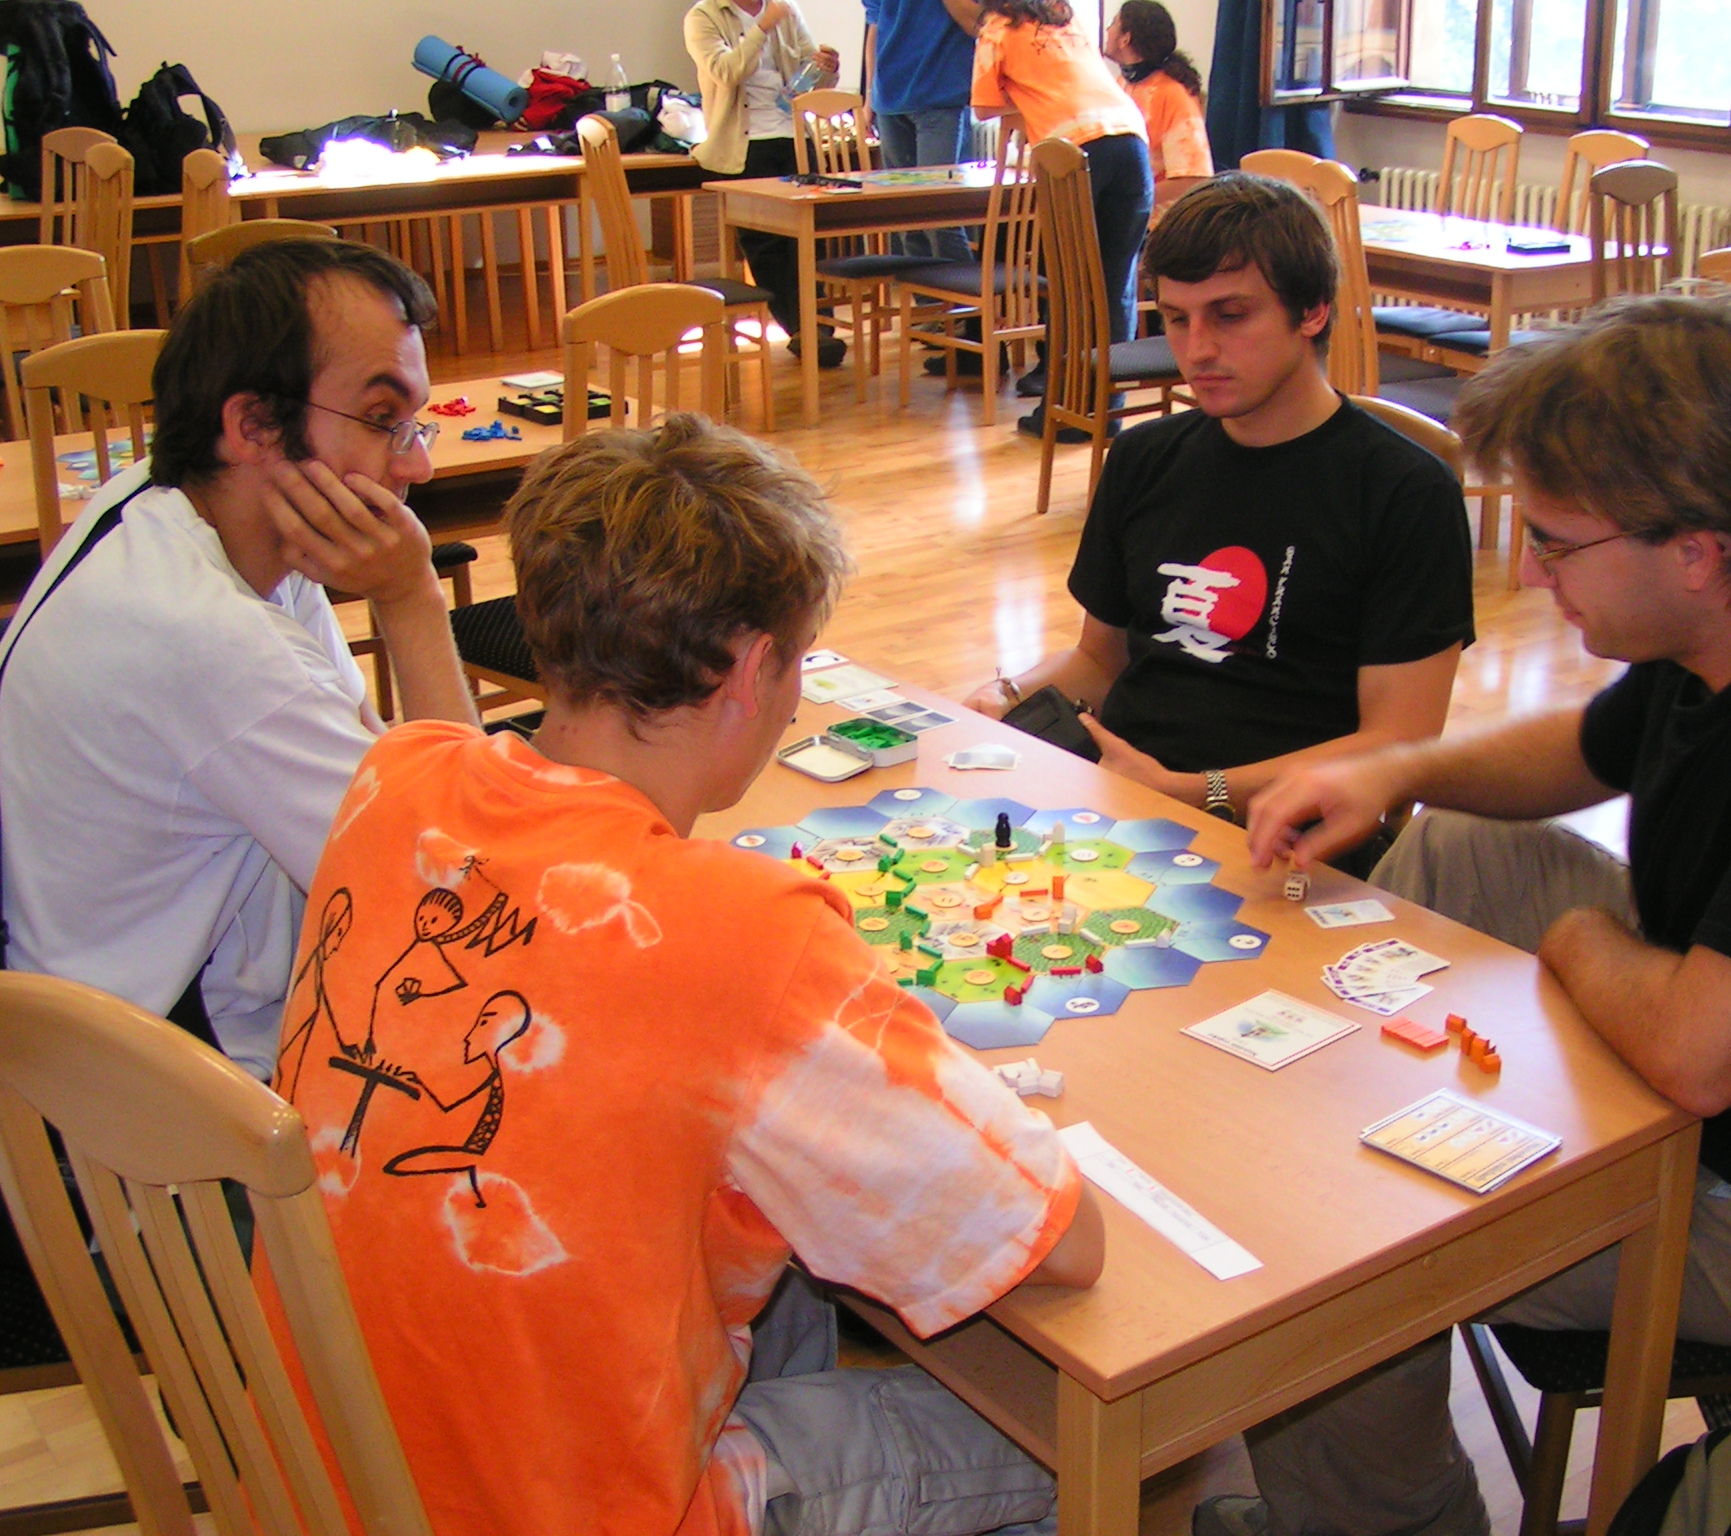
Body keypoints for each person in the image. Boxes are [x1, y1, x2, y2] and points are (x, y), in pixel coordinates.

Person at [1228, 289, 1731, 1536]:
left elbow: (1703, 1060)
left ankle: (1401, 1516)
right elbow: (1580, 753)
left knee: (1332, 1245)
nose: (1531, 573)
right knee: (1473, 839)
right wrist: (1395, 769)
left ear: (1695, 549)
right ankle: (1325, 1104)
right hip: (1729, 1033)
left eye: (1555, 543)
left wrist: (1577, 943)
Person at [269, 413, 1104, 1536]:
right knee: (1063, 1429)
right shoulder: (749, 931)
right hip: (571, 1512)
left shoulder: (394, 776)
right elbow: (1061, 1244)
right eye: (797, 663)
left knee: (777, 1251)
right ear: (753, 670)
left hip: (324, 1470)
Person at [0, 239, 476, 1082]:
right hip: (161, 1107)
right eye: (381, 419)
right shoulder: (205, 638)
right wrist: (411, 600)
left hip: (93, 1040)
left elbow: (384, 768)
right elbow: (461, 893)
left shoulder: (166, 506)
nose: (418, 462)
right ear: (252, 425)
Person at [966, 174, 1471, 861]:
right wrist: (1006, 694)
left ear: (1312, 311)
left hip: (1289, 835)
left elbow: (1398, 743)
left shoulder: (1404, 491)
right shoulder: (1143, 458)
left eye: (1229, 315)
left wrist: (1190, 790)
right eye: (1177, 319)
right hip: (1121, 796)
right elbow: (1098, 660)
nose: (1197, 349)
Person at [970, 0, 1152, 427]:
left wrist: (1028, 102)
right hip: (1131, 139)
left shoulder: (997, 26)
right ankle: (1107, 412)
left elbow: (983, 107)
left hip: (1074, 149)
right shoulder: (1064, 14)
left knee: (1070, 284)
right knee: (1115, 284)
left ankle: (1065, 413)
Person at [686, 0, 849, 367]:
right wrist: (761, 28)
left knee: (807, 238)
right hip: (743, 146)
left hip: (794, 139)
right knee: (764, 243)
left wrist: (827, 68)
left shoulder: (784, 10)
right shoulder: (703, 16)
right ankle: (802, 330)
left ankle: (817, 328)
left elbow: (810, 82)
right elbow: (726, 72)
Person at [864, 0, 978, 261]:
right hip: (889, 99)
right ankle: (921, 289)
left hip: (941, 96)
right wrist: (870, 95)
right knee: (907, 222)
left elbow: (978, 22)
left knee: (939, 218)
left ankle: (966, 287)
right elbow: (875, 26)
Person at [1104, 0, 1213, 221]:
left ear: (1126, 38)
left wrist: (1131, 201)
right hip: (1126, 217)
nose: (1107, 30)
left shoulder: (1172, 94)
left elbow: (1194, 178)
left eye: (1113, 24)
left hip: (1157, 226)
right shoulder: (1122, 84)